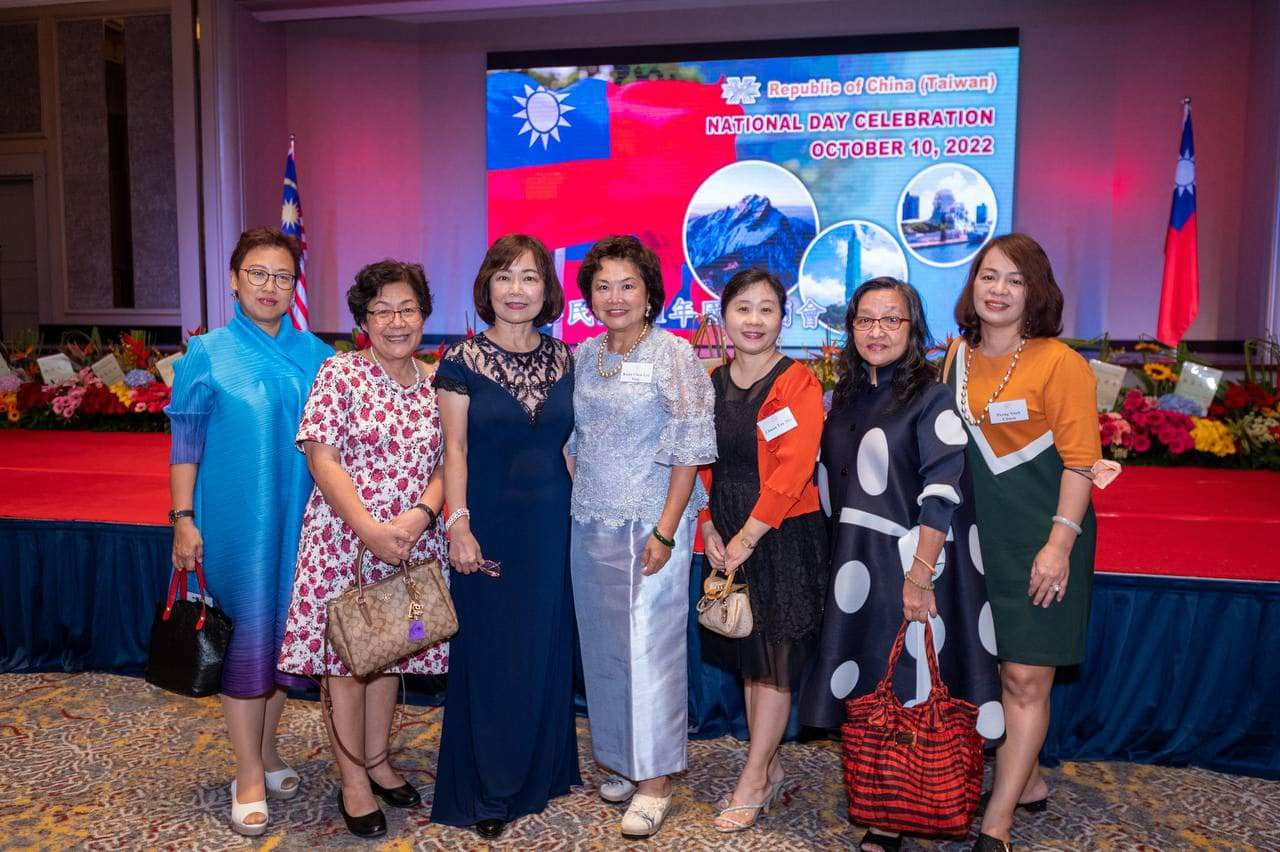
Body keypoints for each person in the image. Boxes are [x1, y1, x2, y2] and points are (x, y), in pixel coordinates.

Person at [799, 277, 1004, 852]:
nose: (877, 331)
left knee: (913, 681)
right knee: (874, 683)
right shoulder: (847, 394)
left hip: (912, 561)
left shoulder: (930, 397)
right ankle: (886, 798)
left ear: (913, 329)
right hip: (855, 563)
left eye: (892, 319)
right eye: (866, 319)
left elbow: (943, 491)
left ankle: (903, 811)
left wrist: (919, 575)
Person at [165, 227, 332, 837]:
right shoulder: (207, 352)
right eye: (257, 273)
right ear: (234, 280)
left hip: (302, 521)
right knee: (247, 639)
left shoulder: (318, 354)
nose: (270, 286)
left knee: (285, 641)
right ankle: (247, 774)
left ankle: (267, 749)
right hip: (235, 527)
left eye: (282, 276)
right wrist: (183, 518)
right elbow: (185, 442)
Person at [941, 234, 1105, 852]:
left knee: (1026, 678)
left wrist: (1059, 545)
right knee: (990, 670)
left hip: (1043, 539)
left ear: (1035, 292)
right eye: (989, 276)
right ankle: (1027, 778)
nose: (999, 290)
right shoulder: (956, 356)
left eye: (1015, 279)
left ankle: (998, 821)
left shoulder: (1060, 363)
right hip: (975, 542)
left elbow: (1081, 463)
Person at [277, 260, 448, 840]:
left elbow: (449, 463)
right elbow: (321, 458)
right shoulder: (341, 372)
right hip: (344, 542)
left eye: (407, 309)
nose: (396, 321)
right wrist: (370, 529)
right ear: (364, 320)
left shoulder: (436, 382)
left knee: (391, 654)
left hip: (412, 543)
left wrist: (421, 516)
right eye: (382, 311)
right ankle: (353, 780)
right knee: (348, 665)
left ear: (424, 315)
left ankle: (378, 761)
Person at [431, 234, 580, 839]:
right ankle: (490, 789)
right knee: (491, 654)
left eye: (530, 277)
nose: (516, 290)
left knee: (545, 647)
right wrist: (458, 524)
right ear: (486, 286)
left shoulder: (568, 358)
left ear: (547, 289)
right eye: (504, 276)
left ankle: (542, 772)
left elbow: (571, 448)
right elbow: (454, 449)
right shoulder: (461, 360)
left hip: (553, 527)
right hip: (488, 525)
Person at [569, 234, 716, 839]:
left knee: (651, 653)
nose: (615, 297)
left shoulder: (673, 354)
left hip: (652, 527)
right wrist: (586, 489)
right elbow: (575, 440)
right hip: (590, 524)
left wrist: (666, 529)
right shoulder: (585, 355)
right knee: (604, 652)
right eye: (602, 286)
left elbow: (689, 448)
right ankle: (623, 761)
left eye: (627, 285)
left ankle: (655, 781)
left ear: (649, 293)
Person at [697, 268, 828, 832]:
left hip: (780, 534)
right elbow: (699, 462)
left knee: (773, 662)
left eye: (767, 309)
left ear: (783, 318)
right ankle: (768, 767)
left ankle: (752, 779)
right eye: (743, 308)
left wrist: (748, 537)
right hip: (727, 532)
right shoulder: (710, 381)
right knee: (751, 661)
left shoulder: (798, 382)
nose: (754, 320)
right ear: (723, 316)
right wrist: (707, 525)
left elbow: (794, 470)